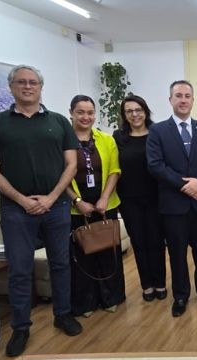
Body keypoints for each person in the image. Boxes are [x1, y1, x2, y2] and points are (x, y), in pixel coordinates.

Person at [0, 64, 82, 357]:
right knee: (19, 271)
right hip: (15, 210)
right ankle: (21, 328)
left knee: (61, 264)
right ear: (11, 87)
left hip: (57, 206)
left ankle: (63, 314)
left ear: (40, 87)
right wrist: (22, 200)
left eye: (33, 82)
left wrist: (51, 197)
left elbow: (71, 164)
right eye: (21, 82)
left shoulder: (59, 122)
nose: (27, 87)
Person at [146, 80, 197, 317]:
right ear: (170, 100)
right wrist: (186, 185)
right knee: (176, 254)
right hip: (173, 206)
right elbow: (156, 166)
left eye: (187, 96)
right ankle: (180, 296)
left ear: (193, 100)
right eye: (178, 95)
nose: (183, 100)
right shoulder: (157, 131)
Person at [64, 95, 125, 317]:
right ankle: (85, 303)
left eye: (90, 112)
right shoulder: (63, 141)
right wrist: (77, 201)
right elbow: (57, 177)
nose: (86, 117)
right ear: (71, 112)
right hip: (75, 207)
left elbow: (114, 171)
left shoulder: (106, 140)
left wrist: (104, 199)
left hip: (104, 204)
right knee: (82, 256)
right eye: (81, 112)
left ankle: (111, 297)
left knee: (108, 252)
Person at [113, 95, 167, 302]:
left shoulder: (158, 133)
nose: (135, 114)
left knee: (156, 241)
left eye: (138, 110)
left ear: (145, 111)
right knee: (139, 242)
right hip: (129, 199)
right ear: (124, 115)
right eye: (129, 111)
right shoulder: (118, 137)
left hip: (156, 197)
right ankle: (147, 285)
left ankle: (160, 282)